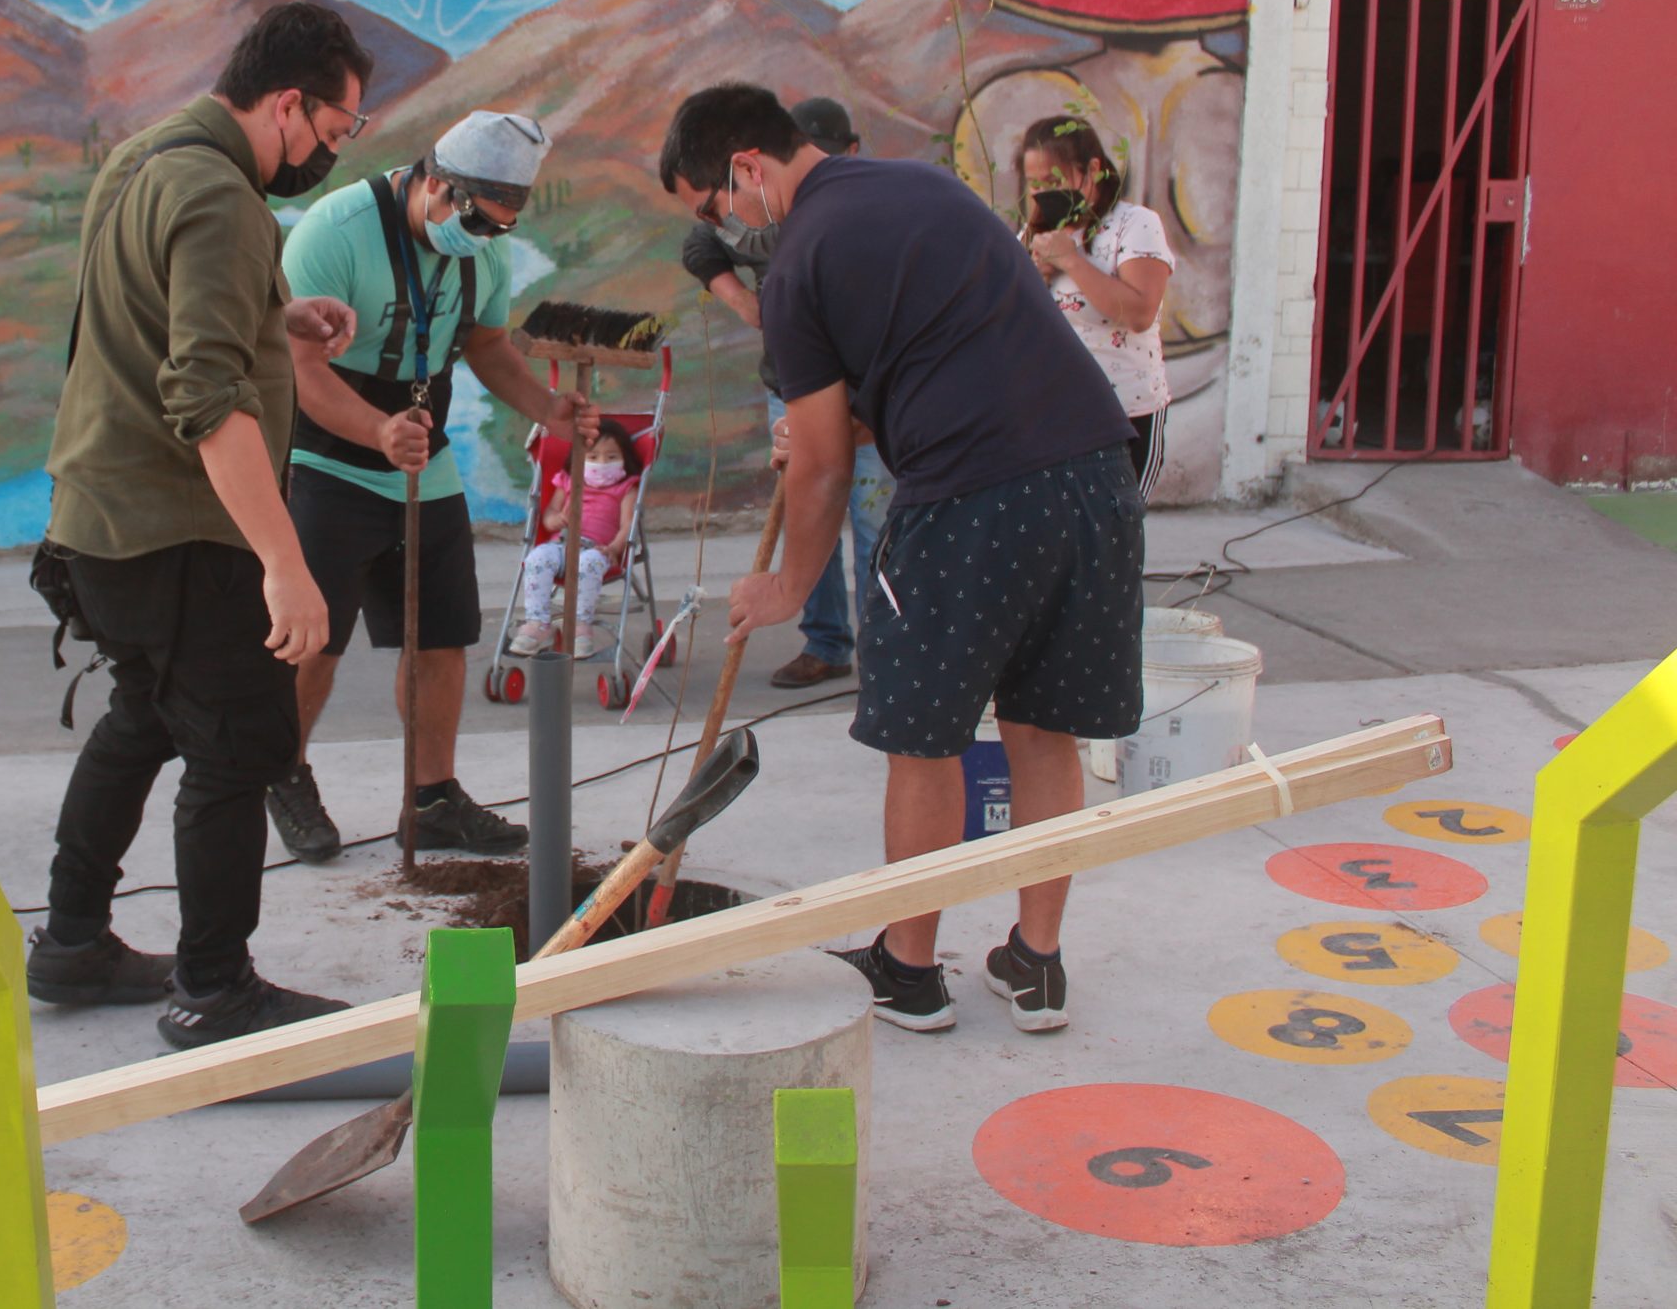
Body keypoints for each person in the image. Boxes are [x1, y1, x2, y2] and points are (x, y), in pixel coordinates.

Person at [660, 83, 1142, 1036]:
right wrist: (836, 422)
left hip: (972, 502)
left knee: (926, 737)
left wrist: (789, 584)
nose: (729, 231)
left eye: (717, 210)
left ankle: (909, 969)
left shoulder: (796, 262)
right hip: (1095, 475)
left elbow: (828, 464)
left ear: (746, 169)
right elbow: (941, 365)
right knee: (1045, 730)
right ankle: (1036, 962)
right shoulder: (932, 192)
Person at [30, 2, 369, 1049]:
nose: (329, 153)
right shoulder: (223, 200)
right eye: (335, 131)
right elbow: (207, 399)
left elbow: (157, 308)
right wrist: (284, 562)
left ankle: (73, 940)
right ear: (285, 104)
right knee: (239, 747)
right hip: (176, 529)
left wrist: (281, 316)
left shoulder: (144, 158)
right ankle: (214, 990)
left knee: (143, 717)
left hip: (94, 520)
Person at [268, 110, 595, 863]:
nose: (485, 238)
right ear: (437, 186)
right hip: (328, 456)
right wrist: (376, 433)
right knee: (316, 638)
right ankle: (281, 771)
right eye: (478, 219)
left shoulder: (481, 247)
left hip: (426, 453)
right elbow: (302, 371)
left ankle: (434, 795)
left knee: (442, 633)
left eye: (503, 227)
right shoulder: (335, 230)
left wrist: (549, 409)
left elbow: (485, 344)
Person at [678, 97, 892, 691]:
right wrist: (753, 307)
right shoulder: (769, 234)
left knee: (877, 527)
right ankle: (827, 643)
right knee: (807, 518)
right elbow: (700, 247)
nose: (721, 219)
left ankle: (887, 653)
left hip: (870, 401)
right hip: (796, 392)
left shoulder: (847, 229)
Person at [1019, 116, 1175, 499]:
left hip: (1125, 418)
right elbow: (1012, 328)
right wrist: (1034, 276)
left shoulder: (1133, 224)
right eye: (1035, 183)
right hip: (1052, 417)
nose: (1043, 193)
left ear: (1092, 170)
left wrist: (1073, 262)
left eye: (1054, 181)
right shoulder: (1032, 236)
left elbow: (1140, 313)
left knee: (1112, 538)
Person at [509, 421, 641, 658]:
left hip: (598, 551)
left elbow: (628, 525)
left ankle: (580, 626)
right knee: (537, 557)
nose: (602, 463)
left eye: (611, 456)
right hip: (562, 545)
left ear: (624, 458)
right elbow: (548, 516)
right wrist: (558, 519)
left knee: (588, 563)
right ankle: (537, 623)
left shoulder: (625, 488)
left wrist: (614, 548)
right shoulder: (568, 480)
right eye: (593, 456)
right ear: (580, 458)